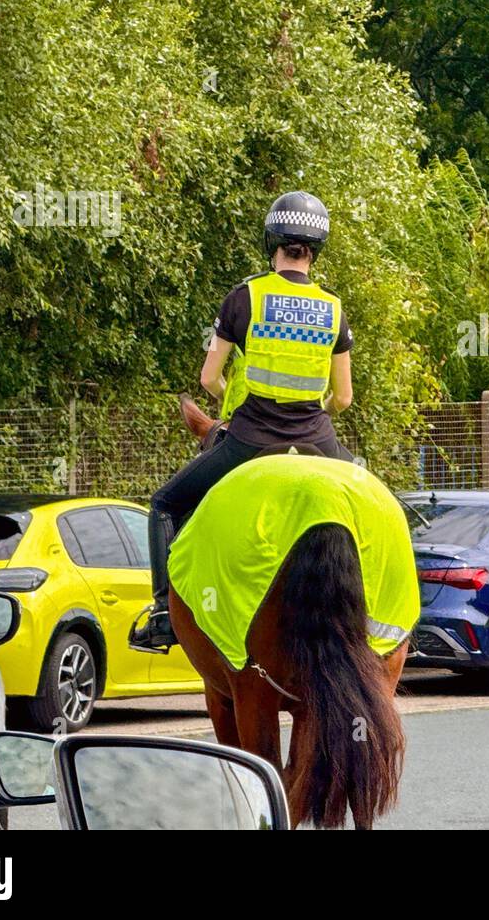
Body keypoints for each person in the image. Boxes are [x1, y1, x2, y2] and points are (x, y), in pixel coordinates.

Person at [129, 191, 354, 653]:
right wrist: (318, 407)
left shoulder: (244, 298)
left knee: (165, 505)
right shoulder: (333, 309)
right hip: (317, 439)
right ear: (316, 249)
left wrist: (228, 398)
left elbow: (208, 377)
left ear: (272, 239)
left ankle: (161, 614)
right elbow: (344, 398)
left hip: (250, 439)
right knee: (370, 504)